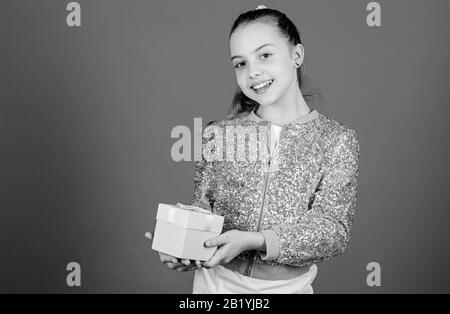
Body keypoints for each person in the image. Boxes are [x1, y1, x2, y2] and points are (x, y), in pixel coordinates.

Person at [146, 4, 360, 294]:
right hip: (214, 287)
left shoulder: (337, 141)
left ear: (296, 55)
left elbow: (333, 232)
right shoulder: (218, 135)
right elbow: (203, 210)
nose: (253, 72)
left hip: (287, 289)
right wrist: (183, 246)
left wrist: (257, 240)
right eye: (241, 63)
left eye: (265, 55)